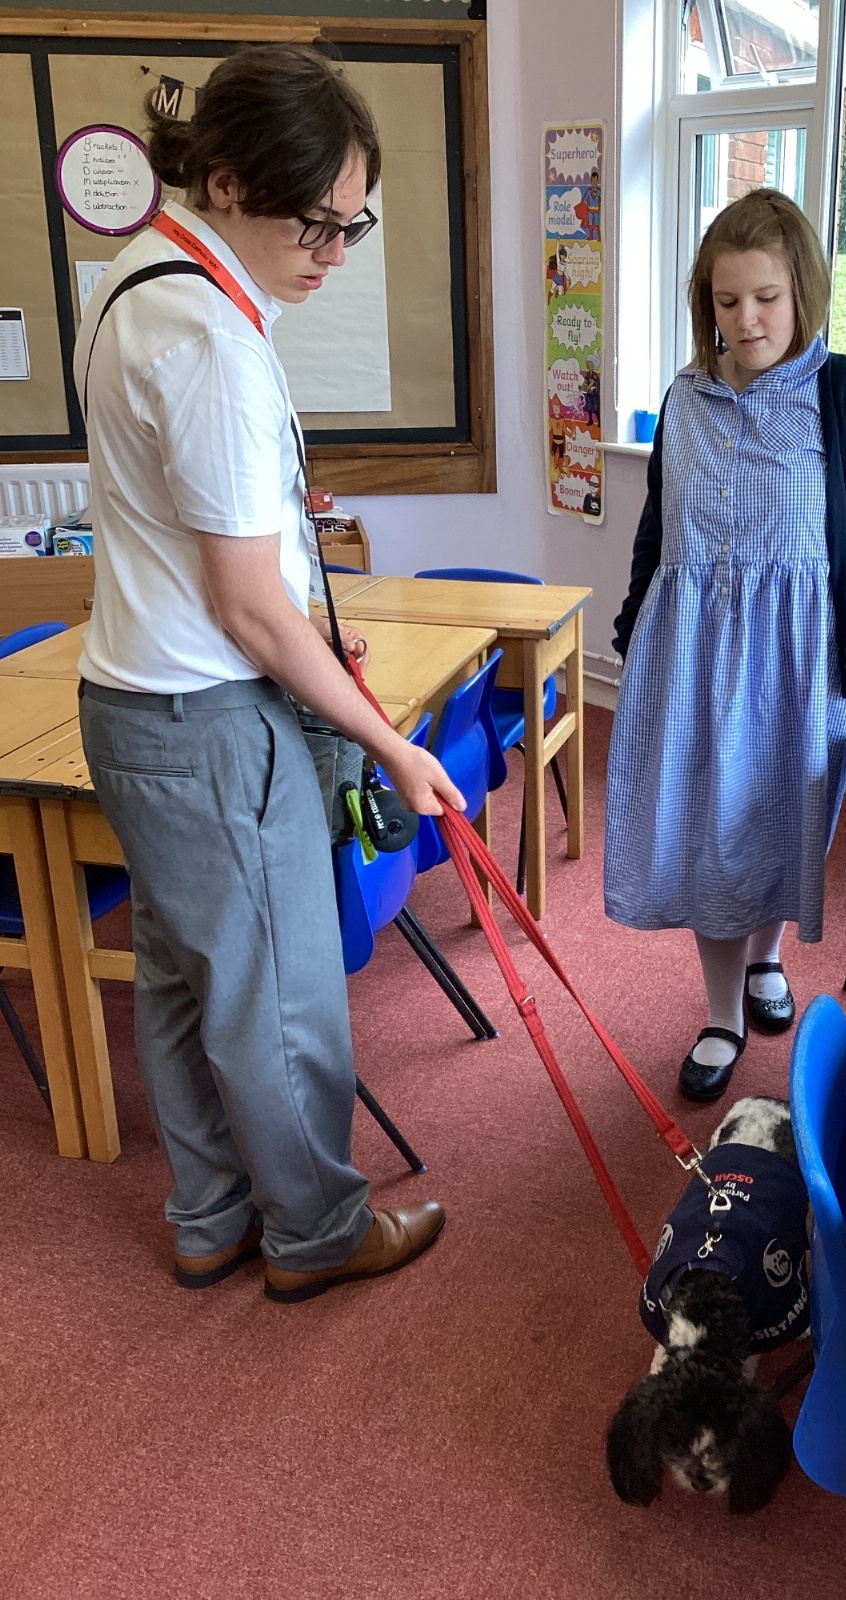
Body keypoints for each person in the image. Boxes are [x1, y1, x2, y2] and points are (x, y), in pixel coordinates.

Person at [75, 44, 465, 1301]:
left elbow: (220, 562)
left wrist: (309, 639)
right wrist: (393, 745)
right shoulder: (209, 338)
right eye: (318, 223)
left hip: (135, 704)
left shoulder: (137, 276)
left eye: (354, 223)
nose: (336, 253)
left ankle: (209, 1215)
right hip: (209, 721)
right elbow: (247, 608)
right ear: (230, 182)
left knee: (185, 977)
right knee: (282, 994)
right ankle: (317, 1232)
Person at [606, 189, 846, 1103]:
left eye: (767, 298)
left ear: (802, 293)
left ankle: (766, 958)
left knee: (784, 825)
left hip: (800, 666)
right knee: (709, 835)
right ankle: (722, 1013)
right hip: (691, 660)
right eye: (728, 299)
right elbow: (657, 532)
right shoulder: (686, 399)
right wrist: (633, 635)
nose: (747, 319)